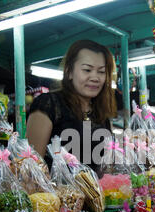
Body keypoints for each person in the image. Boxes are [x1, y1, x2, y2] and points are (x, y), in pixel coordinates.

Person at [26, 40, 116, 171]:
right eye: (87, 70)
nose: (95, 77)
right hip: (56, 190)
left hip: (96, 190)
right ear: (69, 71)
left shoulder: (102, 115)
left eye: (101, 72)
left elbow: (107, 165)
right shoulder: (48, 104)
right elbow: (32, 167)